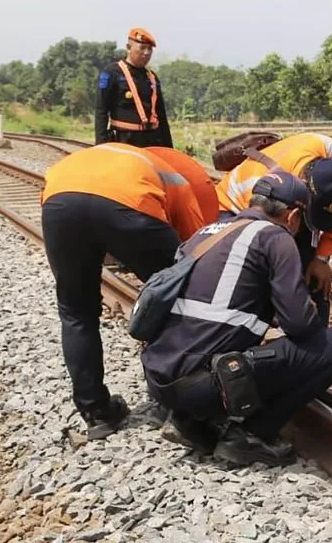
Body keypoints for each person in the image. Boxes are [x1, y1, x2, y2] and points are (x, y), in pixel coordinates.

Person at [141, 172, 332, 466]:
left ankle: (193, 422)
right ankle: (249, 435)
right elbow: (300, 326)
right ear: (292, 215)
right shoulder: (275, 237)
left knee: (216, 343)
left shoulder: (208, 231)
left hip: (158, 380)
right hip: (201, 385)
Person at [41, 144, 219, 438]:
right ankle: (181, 408)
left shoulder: (117, 157)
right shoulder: (180, 180)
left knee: (76, 312)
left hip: (59, 203)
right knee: (182, 299)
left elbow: (75, 211)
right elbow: (195, 251)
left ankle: (96, 412)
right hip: (128, 204)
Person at [216, 132, 332, 323]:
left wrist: (321, 257)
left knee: (309, 272)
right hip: (234, 208)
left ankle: (315, 337)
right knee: (255, 279)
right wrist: (292, 302)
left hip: (290, 194)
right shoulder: (266, 184)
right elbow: (271, 243)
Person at [96, 28, 173, 148]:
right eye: (142, 48)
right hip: (124, 140)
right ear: (128, 47)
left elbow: (162, 117)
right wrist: (101, 146)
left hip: (152, 142)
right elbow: (101, 111)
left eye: (149, 49)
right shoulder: (112, 73)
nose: (146, 53)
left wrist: (169, 149)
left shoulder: (152, 78)